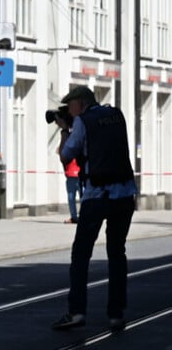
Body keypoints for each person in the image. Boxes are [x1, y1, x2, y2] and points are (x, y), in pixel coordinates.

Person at [52, 86, 137, 332]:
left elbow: (67, 155)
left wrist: (65, 130)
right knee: (117, 253)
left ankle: (76, 311)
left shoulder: (82, 121)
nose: (69, 110)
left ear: (79, 103)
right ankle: (116, 314)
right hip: (124, 194)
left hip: (97, 194)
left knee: (81, 254)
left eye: (70, 106)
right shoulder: (116, 116)